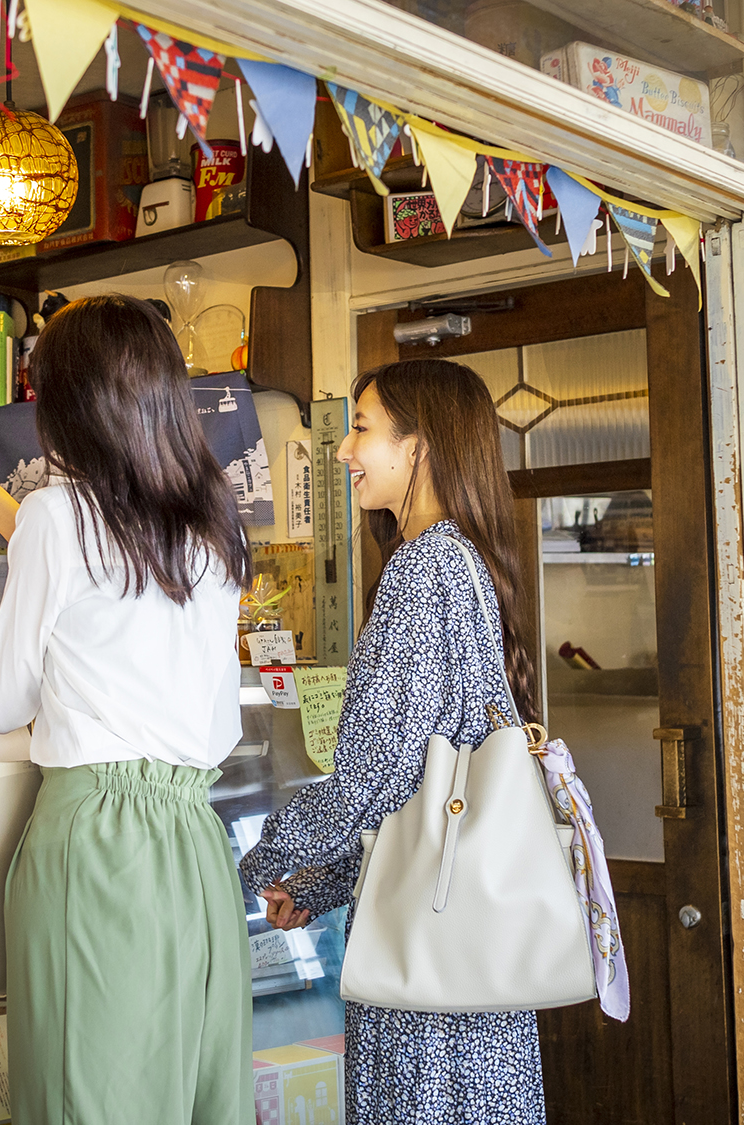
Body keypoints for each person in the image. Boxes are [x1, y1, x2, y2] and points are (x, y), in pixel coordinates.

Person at [0, 294, 254, 1124]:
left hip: (96, 840)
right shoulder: (209, 520)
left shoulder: (56, 516)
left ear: (65, 402)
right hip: (193, 838)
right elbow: (103, 568)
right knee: (187, 1091)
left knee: (89, 1092)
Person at [236, 359, 545, 1124]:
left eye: (363, 429)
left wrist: (249, 868)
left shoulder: (421, 569)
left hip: (428, 983)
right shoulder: (463, 563)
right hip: (466, 954)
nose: (344, 451)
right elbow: (417, 787)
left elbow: (374, 772)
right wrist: (314, 887)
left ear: (420, 447)